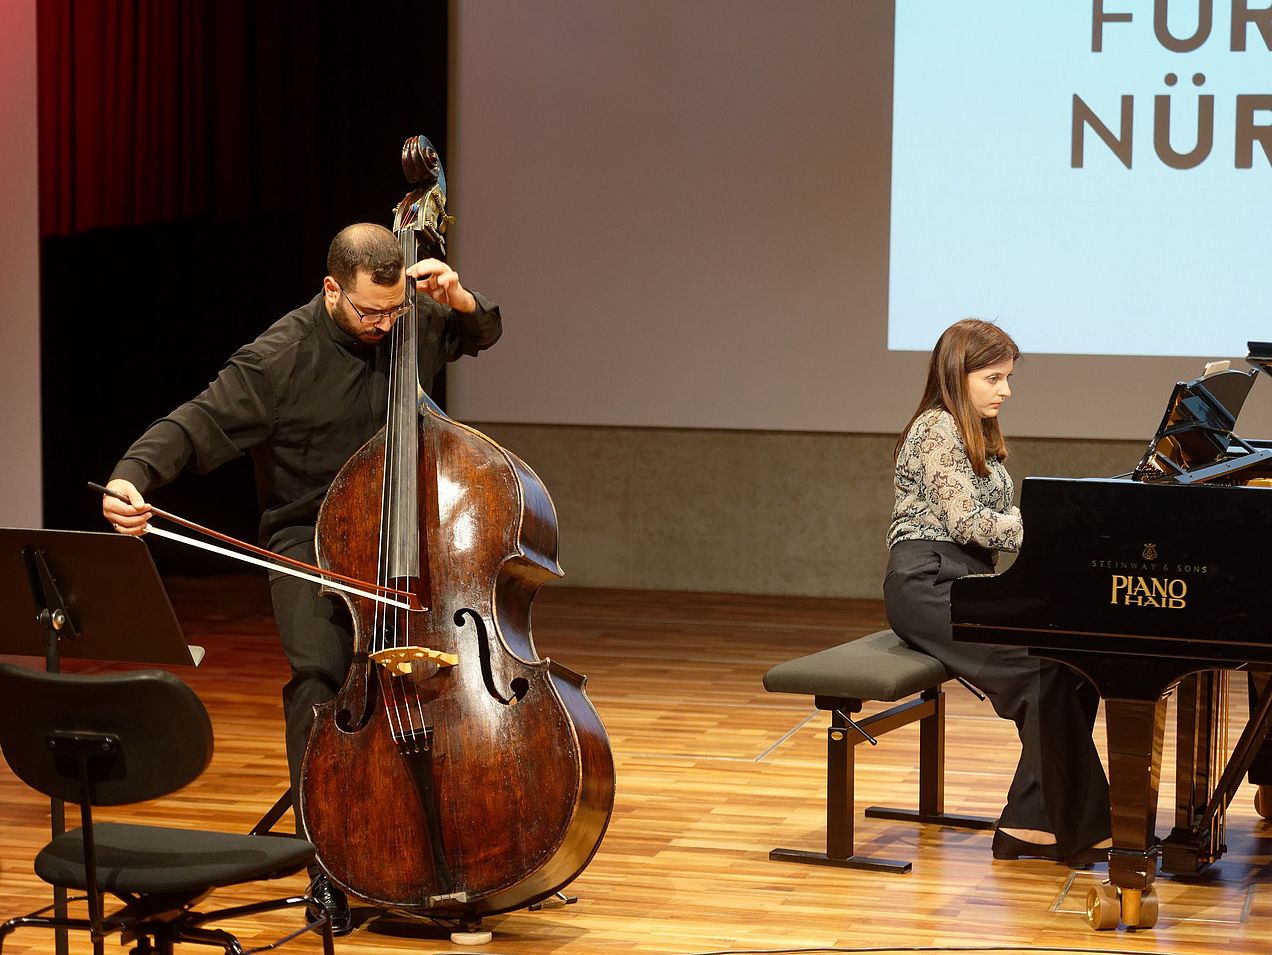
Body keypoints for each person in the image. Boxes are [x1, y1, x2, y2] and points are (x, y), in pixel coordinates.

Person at [101, 222, 502, 932]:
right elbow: (194, 425)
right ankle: (326, 868)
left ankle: (458, 837)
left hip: (410, 537)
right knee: (320, 677)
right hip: (310, 540)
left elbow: (479, 335)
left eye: (394, 311)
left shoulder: (408, 317)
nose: (384, 326)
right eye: (368, 312)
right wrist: (131, 477)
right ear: (330, 289)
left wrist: (460, 299)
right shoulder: (278, 358)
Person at [883, 318, 1111, 865]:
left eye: (1007, 377)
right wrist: (1054, 532)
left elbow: (996, 521)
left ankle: (1030, 825)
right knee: (1045, 673)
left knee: (1072, 667)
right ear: (958, 374)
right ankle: (1083, 829)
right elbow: (968, 522)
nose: (1006, 390)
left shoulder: (973, 430)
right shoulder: (937, 428)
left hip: (967, 579)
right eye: (994, 377)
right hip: (927, 583)